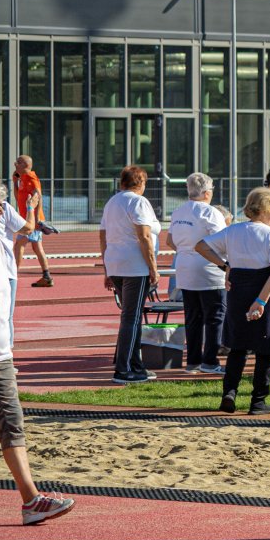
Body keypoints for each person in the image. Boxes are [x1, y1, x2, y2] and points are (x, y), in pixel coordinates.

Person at [0, 177, 72, 523]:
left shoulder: (3, 235)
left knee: (12, 422)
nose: (1, 211)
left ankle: (31, 500)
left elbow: (26, 229)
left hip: (1, 352)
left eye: (1, 206)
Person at [197, 187, 270, 416]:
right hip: (265, 290)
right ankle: (258, 401)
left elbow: (201, 246)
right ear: (265, 208)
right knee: (266, 349)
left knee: (238, 347)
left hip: (239, 290)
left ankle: (229, 393)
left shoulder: (233, 230)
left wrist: (225, 266)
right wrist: (261, 301)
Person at [100, 165, 161, 385]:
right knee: (132, 318)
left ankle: (135, 365)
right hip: (135, 266)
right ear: (141, 182)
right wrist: (153, 267)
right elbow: (144, 236)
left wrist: (107, 268)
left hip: (116, 263)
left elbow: (103, 236)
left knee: (130, 317)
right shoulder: (138, 202)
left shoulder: (112, 202)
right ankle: (123, 369)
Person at [166, 173, 228, 375]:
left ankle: (192, 361)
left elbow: (169, 241)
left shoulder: (178, 211)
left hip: (184, 267)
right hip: (209, 269)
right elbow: (222, 240)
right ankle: (210, 361)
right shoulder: (210, 212)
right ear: (207, 193)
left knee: (192, 317)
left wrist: (186, 250)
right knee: (215, 316)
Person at [13, 156, 53, 288]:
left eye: (17, 162)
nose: (15, 165)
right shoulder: (23, 178)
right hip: (27, 219)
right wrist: (15, 182)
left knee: (19, 245)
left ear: (24, 165)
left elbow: (38, 196)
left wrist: (36, 219)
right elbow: (18, 198)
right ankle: (46, 276)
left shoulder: (31, 178)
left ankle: (13, 275)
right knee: (37, 247)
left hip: (31, 220)